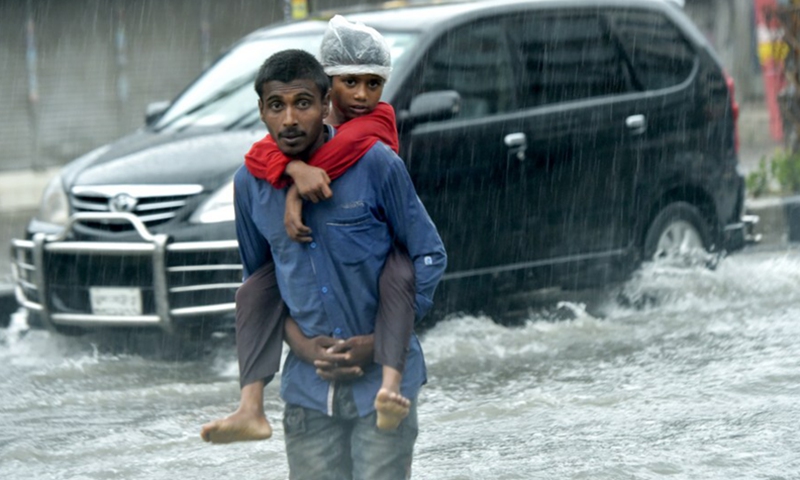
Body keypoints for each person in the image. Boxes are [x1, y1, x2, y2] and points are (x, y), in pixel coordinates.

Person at [200, 16, 419, 444]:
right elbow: (257, 155)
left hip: (379, 255)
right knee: (255, 288)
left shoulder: (376, 125)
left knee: (402, 274)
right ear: (327, 86)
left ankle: (390, 385)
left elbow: (343, 157)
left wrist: (297, 190)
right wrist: (294, 167)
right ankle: (250, 406)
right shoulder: (296, 126)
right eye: (349, 81)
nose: (361, 94)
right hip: (308, 390)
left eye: (373, 83)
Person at [234, 48, 446, 478]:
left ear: (327, 105)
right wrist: (302, 345)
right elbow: (262, 284)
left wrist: (381, 340)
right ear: (261, 111)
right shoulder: (250, 185)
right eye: (277, 106)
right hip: (308, 391)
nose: (290, 119)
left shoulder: (376, 163)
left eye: (303, 104)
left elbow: (428, 255)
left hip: (384, 387)